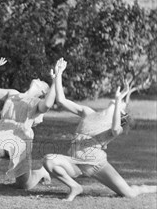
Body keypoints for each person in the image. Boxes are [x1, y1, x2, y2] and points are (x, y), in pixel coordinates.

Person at [43, 58, 157, 201]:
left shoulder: (114, 125)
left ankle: (146, 188)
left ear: (121, 112)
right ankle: (75, 187)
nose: (119, 100)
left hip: (97, 164)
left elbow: (116, 129)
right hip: (76, 163)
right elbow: (61, 101)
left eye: (121, 103)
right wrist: (59, 74)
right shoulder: (88, 112)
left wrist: (117, 103)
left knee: (128, 193)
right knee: (48, 160)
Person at [0, 58, 55, 193]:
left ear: (43, 92)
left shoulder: (37, 102)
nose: (38, 78)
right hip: (1, 135)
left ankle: (41, 172)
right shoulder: (13, 93)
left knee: (24, 185)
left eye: (42, 82)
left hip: (19, 141)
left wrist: (55, 81)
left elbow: (48, 104)